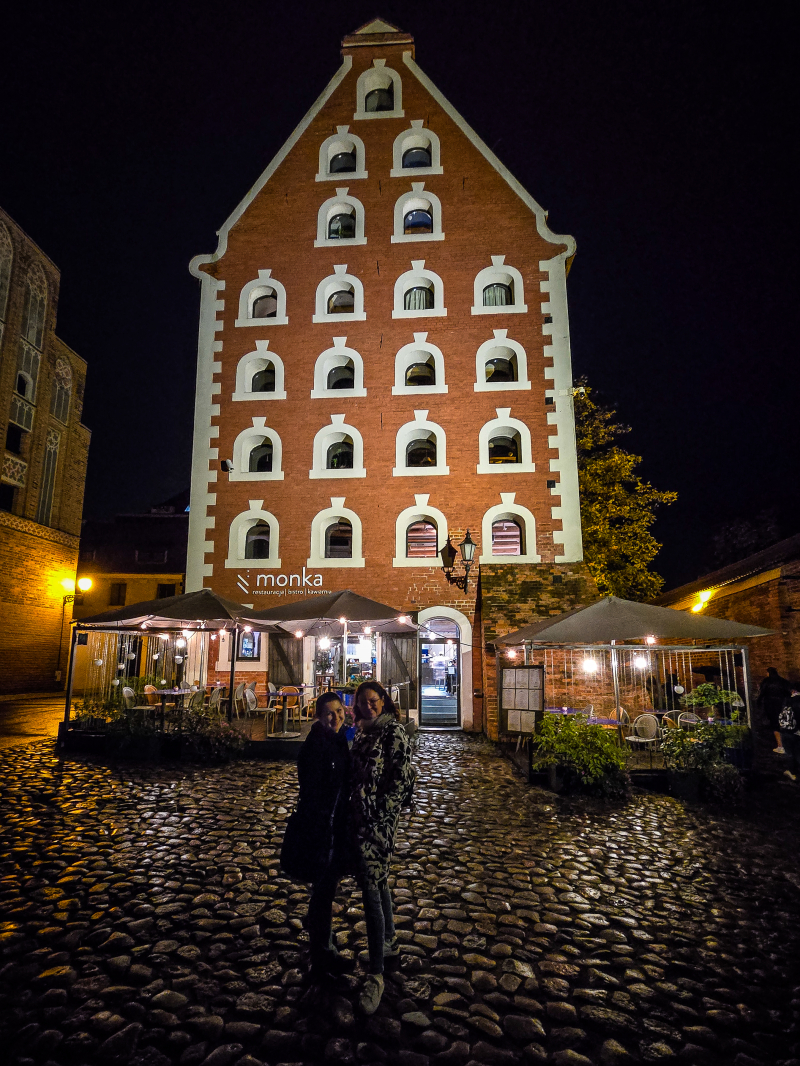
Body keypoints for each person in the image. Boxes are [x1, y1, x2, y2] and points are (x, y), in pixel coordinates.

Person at [349, 681, 413, 1015]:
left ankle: (376, 974)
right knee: (380, 879)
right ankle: (389, 940)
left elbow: (399, 782)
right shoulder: (361, 731)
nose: (368, 707)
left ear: (383, 701)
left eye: (373, 701)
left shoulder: (393, 733)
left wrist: (378, 816)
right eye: (362, 703)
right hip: (359, 820)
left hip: (376, 824)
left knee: (371, 889)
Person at [296, 690, 351, 981]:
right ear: (318, 715)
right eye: (329, 712)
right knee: (323, 891)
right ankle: (320, 955)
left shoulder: (338, 739)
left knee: (327, 890)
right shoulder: (316, 745)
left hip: (335, 825)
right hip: (321, 829)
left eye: (339, 711)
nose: (335, 717)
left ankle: (322, 947)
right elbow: (313, 792)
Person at [756, 667, 793, 754]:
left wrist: (758, 702)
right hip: (781, 704)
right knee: (783, 723)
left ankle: (780, 745)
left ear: (768, 673)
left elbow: (762, 692)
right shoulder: (782, 681)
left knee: (774, 724)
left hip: (771, 705)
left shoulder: (767, 681)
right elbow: (788, 691)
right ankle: (786, 745)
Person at [779, 689, 800, 782]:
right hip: (798, 732)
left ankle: (792, 772)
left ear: (793, 691)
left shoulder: (789, 701)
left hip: (788, 731)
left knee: (790, 752)